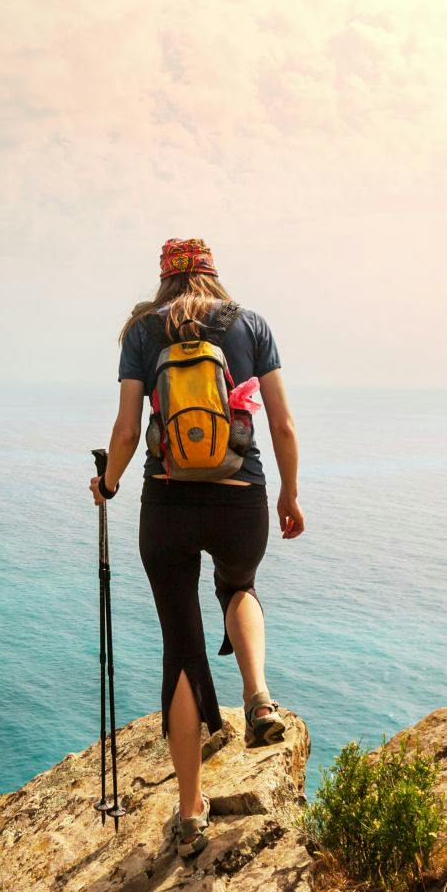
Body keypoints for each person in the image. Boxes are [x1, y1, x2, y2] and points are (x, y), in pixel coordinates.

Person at [89, 237, 304, 858]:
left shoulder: (140, 332)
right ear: (213, 275)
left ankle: (189, 814)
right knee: (239, 586)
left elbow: (128, 429)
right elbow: (283, 424)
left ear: (165, 280)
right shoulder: (252, 325)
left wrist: (108, 483)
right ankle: (258, 696)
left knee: (181, 645)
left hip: (167, 504)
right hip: (242, 496)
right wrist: (290, 495)